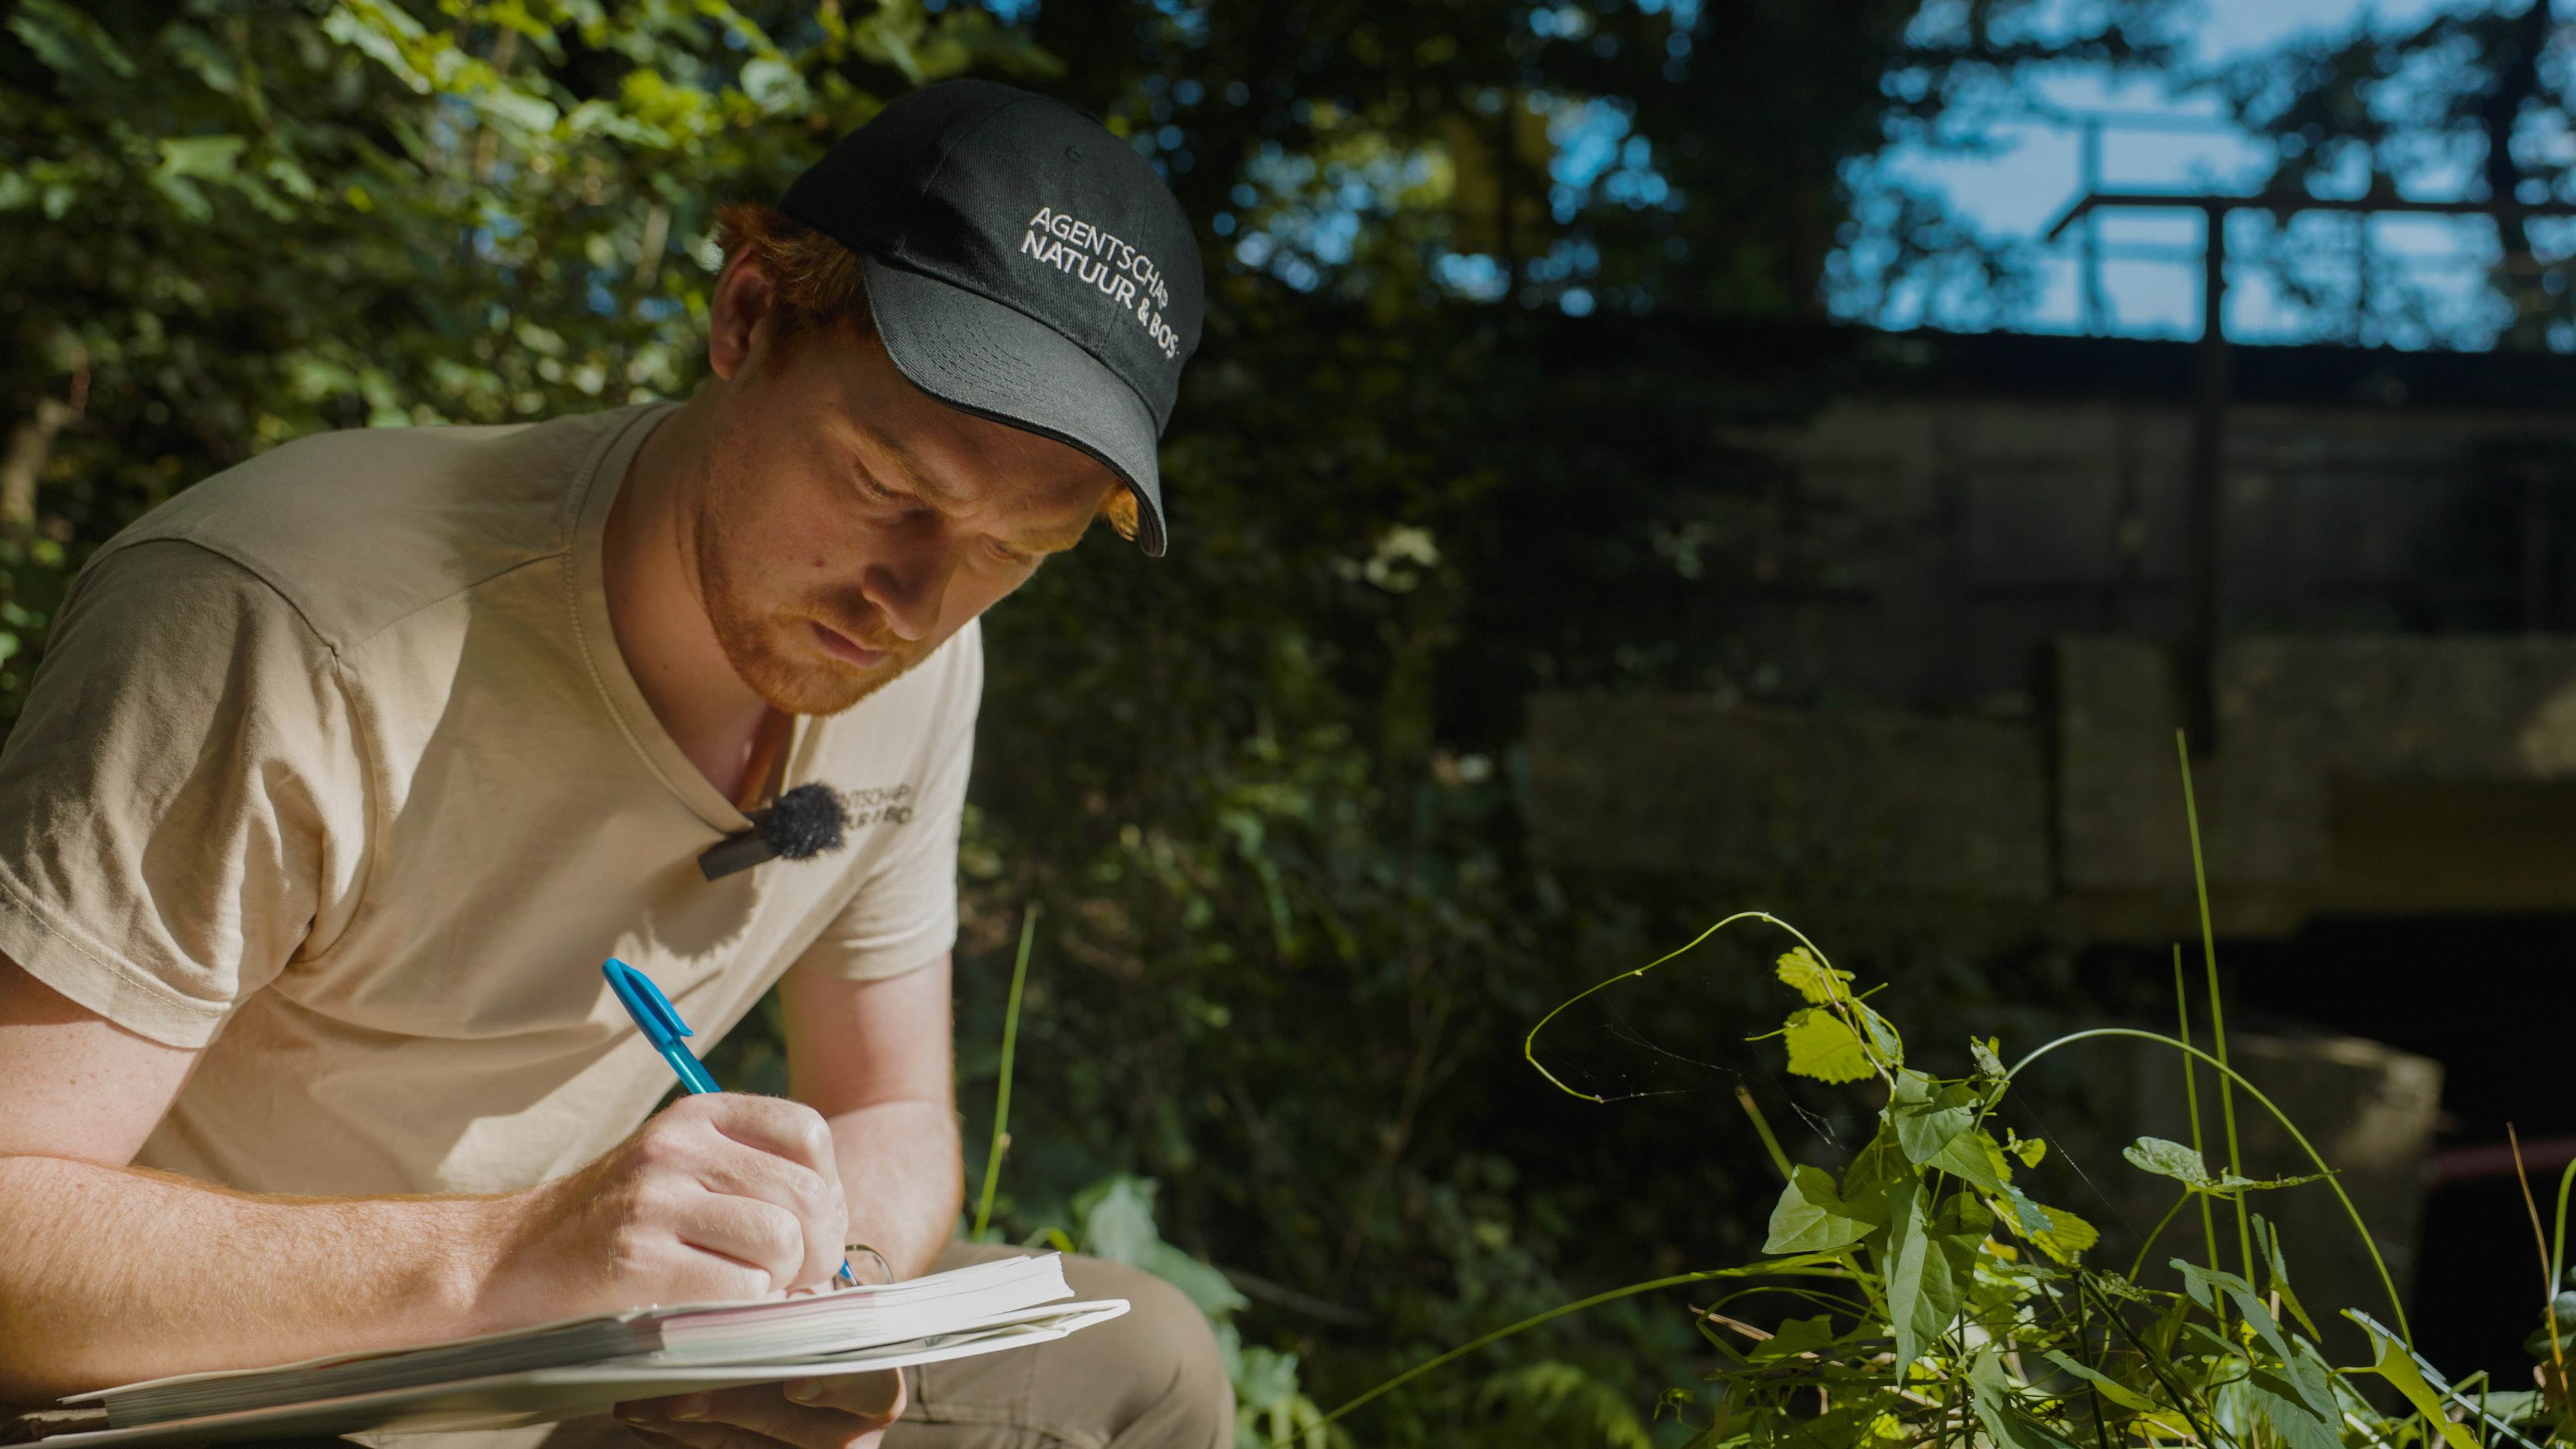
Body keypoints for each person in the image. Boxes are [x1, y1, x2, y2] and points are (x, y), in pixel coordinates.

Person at [0, 79, 1229, 1449]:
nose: (916, 601)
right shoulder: (282, 621)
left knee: (1148, 1361)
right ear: (748, 314)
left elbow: (887, 1106)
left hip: (570, 1372)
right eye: (890, 486)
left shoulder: (918, 661)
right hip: (210, 1397)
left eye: (1016, 552)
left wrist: (823, 1316)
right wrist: (501, 1264)